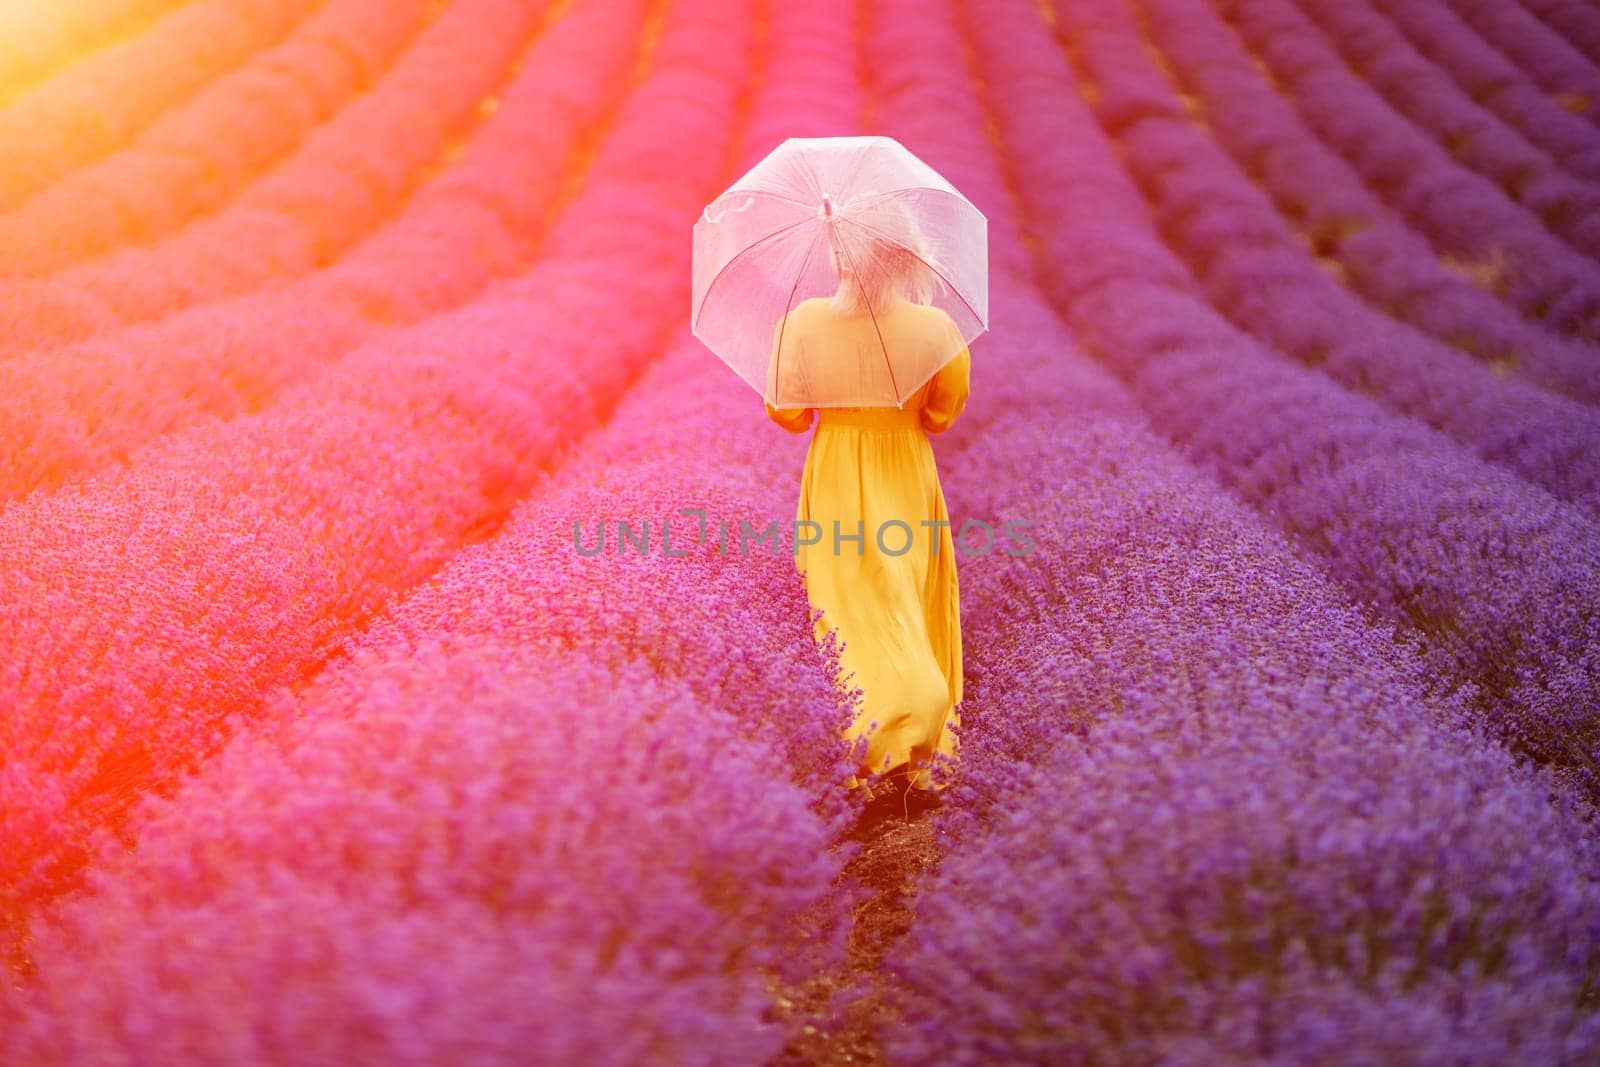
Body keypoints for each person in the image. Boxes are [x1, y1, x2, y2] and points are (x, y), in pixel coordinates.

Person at [763, 208, 971, 816]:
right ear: (907, 256)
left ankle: (869, 740)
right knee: (907, 593)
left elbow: (789, 414)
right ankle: (918, 726)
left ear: (838, 256)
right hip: (904, 468)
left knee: (845, 604)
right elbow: (944, 412)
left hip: (835, 471)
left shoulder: (800, 324)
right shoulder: (936, 329)